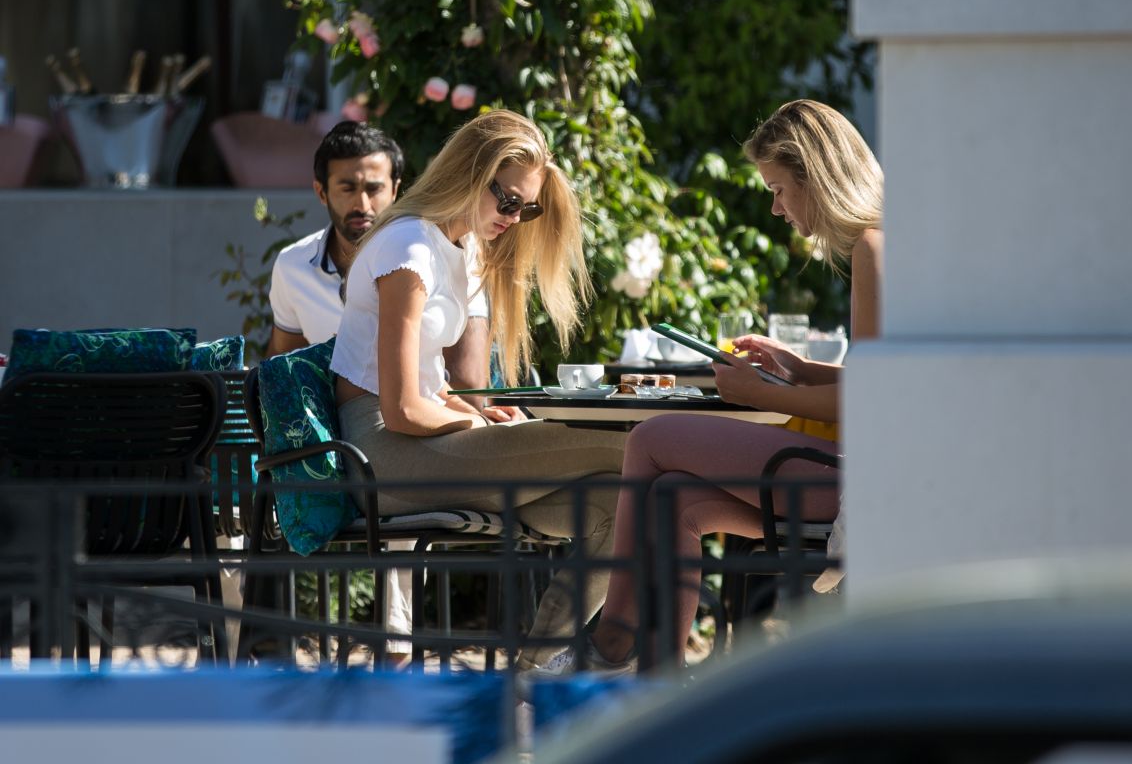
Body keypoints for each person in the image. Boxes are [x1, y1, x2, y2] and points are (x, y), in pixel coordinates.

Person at [543, 99, 883, 673]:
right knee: (675, 496)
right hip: (861, 473)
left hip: (866, 483)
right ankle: (657, 680)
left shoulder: (873, 248)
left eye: (778, 189)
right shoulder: (883, 244)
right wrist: (798, 368)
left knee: (651, 438)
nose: (775, 208)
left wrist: (766, 395)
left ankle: (612, 640)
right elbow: (888, 380)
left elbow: (880, 401)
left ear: (816, 178)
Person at [329, 109, 627, 669]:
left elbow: (430, 388)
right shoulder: (409, 250)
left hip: (427, 446)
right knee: (635, 448)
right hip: (383, 458)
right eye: (508, 200)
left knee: (622, 501)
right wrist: (473, 421)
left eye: (527, 207)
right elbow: (399, 410)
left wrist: (476, 413)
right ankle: (629, 651)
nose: (515, 218)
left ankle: (532, 672)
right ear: (469, 172)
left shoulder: (455, 248)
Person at [264, 121, 489, 665]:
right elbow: (278, 366)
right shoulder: (294, 267)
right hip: (331, 439)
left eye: (374, 188)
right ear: (321, 192)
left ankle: (396, 639)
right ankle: (275, 641)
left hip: (411, 420)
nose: (362, 201)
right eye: (347, 187)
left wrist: (473, 414)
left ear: (396, 188)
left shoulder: (446, 253)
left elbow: (471, 379)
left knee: (400, 448)